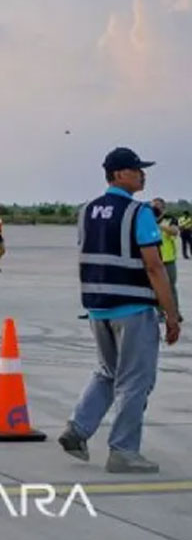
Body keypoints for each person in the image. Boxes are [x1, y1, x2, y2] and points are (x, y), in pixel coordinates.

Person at [59, 148, 181, 474]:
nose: (142, 174)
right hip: (134, 307)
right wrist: (171, 314)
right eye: (136, 169)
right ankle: (124, 451)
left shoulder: (86, 211)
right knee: (135, 380)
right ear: (118, 175)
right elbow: (155, 267)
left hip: (98, 308)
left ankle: (78, 429)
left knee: (108, 372)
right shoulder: (137, 212)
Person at [152, 198, 182, 319]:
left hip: (168, 259)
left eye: (158, 206)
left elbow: (175, 231)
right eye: (154, 207)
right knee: (155, 287)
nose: (156, 209)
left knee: (170, 287)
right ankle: (160, 312)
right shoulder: (147, 219)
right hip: (154, 259)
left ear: (163, 208)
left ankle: (175, 312)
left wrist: (160, 226)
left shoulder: (170, 219)